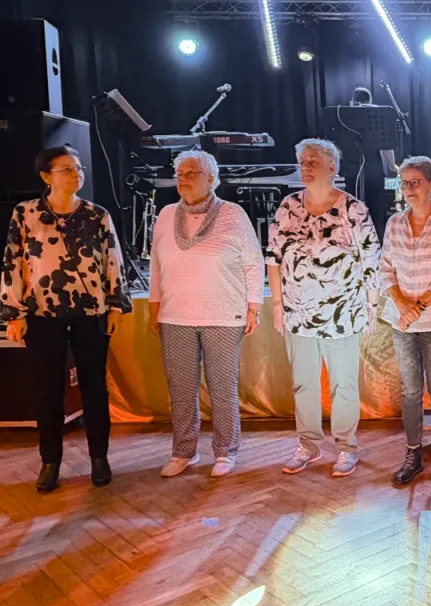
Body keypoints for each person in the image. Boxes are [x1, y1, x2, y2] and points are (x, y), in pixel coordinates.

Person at [1, 145, 131, 493]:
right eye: (67, 169)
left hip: (91, 313)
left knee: (94, 387)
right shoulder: (25, 214)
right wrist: (14, 312)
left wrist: (116, 305)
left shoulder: (97, 214)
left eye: (78, 168)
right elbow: (13, 262)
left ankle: (99, 458)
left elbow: (112, 259)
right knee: (47, 390)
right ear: (46, 177)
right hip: (42, 315)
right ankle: (50, 461)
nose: (77, 174)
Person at [267, 138, 381, 478]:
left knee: (343, 384)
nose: (304, 166)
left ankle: (346, 447)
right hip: (298, 313)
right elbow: (273, 256)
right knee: (303, 382)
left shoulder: (353, 209)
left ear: (332, 167)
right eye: (302, 160)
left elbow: (371, 260)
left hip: (341, 312)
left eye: (312, 161)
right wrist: (277, 305)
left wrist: (371, 307)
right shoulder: (288, 206)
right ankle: (309, 444)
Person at [148, 151, 265, 479]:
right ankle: (184, 451)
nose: (183, 178)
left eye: (192, 173)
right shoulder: (165, 214)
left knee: (222, 387)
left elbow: (253, 263)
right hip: (175, 316)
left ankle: (225, 451)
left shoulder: (233, 214)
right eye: (179, 173)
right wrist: (153, 306)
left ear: (212, 179)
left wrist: (253, 306)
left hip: (223, 314)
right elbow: (157, 266)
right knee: (181, 388)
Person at [379, 157, 431, 486]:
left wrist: (418, 305)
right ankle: (412, 452)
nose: (409, 188)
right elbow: (385, 267)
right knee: (410, 391)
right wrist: (403, 304)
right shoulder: (394, 223)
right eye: (404, 182)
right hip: (402, 320)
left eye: (415, 182)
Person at [350, 86, 398, 239]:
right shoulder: (378, 119)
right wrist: (392, 170)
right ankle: (377, 252)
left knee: (352, 216)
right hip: (375, 175)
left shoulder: (345, 118)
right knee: (376, 216)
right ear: (370, 101)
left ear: (352, 102)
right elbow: (386, 150)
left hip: (352, 175)